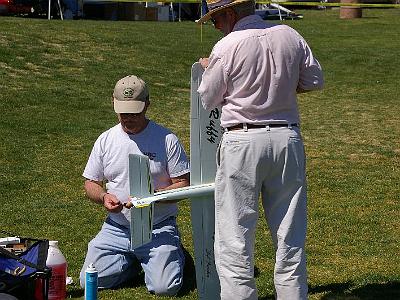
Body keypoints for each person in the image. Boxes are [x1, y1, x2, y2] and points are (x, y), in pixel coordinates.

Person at [196, 1, 324, 299]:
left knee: (234, 234)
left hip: (242, 141)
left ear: (229, 14)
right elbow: (314, 80)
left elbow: (207, 98)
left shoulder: (226, 47)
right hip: (286, 138)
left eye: (215, 19)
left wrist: (210, 70)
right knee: (290, 231)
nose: (216, 26)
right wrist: (279, 85)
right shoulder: (290, 35)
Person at [79, 75, 190, 296]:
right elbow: (90, 182)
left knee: (164, 288)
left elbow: (184, 183)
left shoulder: (167, 139)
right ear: (113, 103)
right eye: (123, 111)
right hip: (116, 228)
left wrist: (153, 196)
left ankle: (175, 255)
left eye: (135, 111)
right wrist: (103, 196)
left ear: (147, 104)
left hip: (157, 227)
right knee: (88, 281)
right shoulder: (105, 139)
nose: (128, 117)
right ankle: (133, 262)